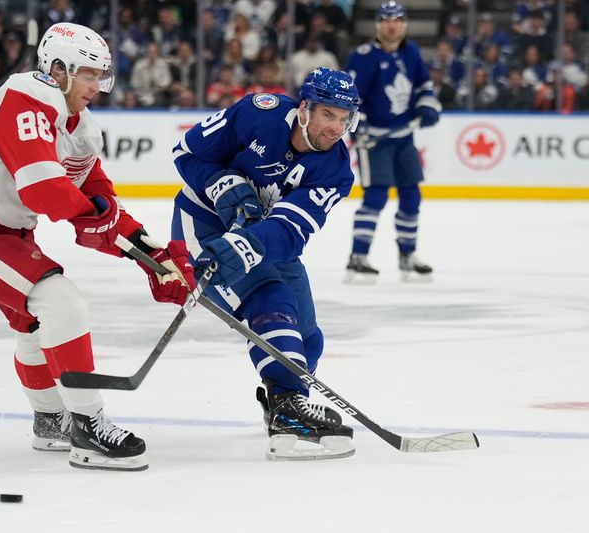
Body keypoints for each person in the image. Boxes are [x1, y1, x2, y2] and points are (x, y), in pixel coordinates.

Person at [0, 23, 195, 471]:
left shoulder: (81, 130)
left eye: (100, 76)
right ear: (58, 69)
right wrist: (98, 215)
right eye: (88, 74)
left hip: (6, 234)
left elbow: (105, 209)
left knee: (34, 322)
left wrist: (155, 258)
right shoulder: (26, 94)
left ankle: (51, 419)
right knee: (61, 303)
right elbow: (45, 191)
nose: (96, 87)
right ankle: (88, 425)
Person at [170, 67, 359, 460]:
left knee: (307, 336)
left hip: (265, 241)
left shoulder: (336, 170)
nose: (337, 128)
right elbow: (186, 153)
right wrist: (221, 182)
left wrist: (247, 244)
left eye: (345, 118)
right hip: (204, 228)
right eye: (329, 115)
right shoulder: (259, 112)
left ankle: (283, 406)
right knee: (270, 298)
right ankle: (289, 407)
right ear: (305, 109)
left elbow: (290, 229)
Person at [345, 0, 440, 283]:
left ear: (404, 24)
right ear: (378, 25)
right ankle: (358, 257)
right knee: (376, 196)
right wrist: (357, 126)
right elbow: (350, 97)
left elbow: (424, 86)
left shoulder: (411, 53)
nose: (392, 25)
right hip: (374, 141)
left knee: (412, 195)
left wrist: (427, 106)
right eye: (386, 20)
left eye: (397, 19)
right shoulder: (363, 56)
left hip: (403, 139)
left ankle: (407, 255)